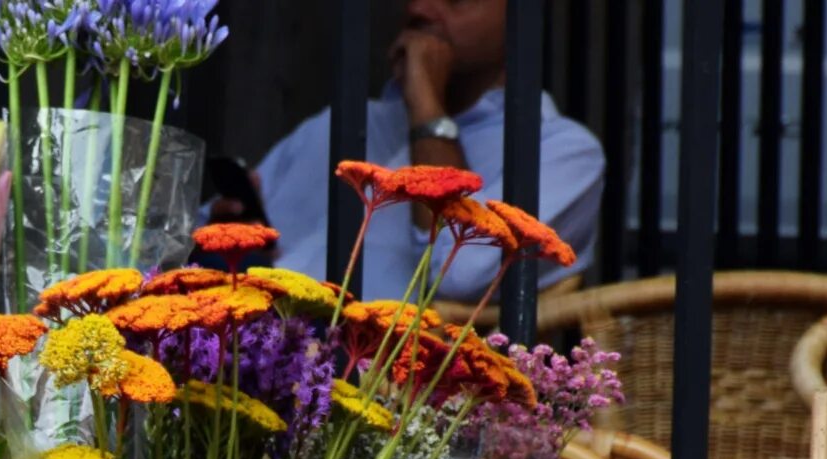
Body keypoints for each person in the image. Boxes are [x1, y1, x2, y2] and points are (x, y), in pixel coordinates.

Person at [251, 0, 602, 301]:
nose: (419, 7)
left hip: (376, 371)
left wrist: (427, 108)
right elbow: (204, 233)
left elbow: (457, 276)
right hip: (246, 350)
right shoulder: (344, 121)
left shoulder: (562, 151)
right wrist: (235, 228)